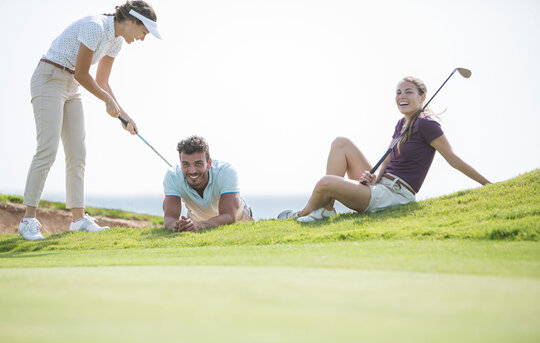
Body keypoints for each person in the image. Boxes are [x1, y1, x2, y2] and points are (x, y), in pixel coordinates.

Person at [18, 1, 162, 241]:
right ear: (133, 21)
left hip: (71, 87)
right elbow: (82, 73)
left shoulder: (116, 42)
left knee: (78, 153)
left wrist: (124, 116)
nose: (143, 38)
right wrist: (107, 101)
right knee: (48, 149)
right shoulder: (95, 26)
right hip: (49, 78)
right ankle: (28, 220)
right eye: (144, 32)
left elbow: (102, 81)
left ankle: (78, 219)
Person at [278, 76, 491, 222]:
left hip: (395, 195)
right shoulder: (402, 123)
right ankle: (325, 210)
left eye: (409, 92)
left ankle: (303, 213)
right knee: (340, 143)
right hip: (382, 184)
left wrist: (487, 185)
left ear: (422, 97)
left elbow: (453, 160)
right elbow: (388, 160)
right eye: (398, 92)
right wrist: (375, 177)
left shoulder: (427, 124)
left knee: (325, 183)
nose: (402, 97)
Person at [163, 135, 253, 232]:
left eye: (198, 164)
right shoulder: (173, 175)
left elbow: (229, 216)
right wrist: (177, 226)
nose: (192, 171)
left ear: (209, 163)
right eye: (186, 164)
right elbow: (169, 218)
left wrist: (199, 225)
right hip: (197, 220)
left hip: (239, 218)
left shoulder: (226, 172)